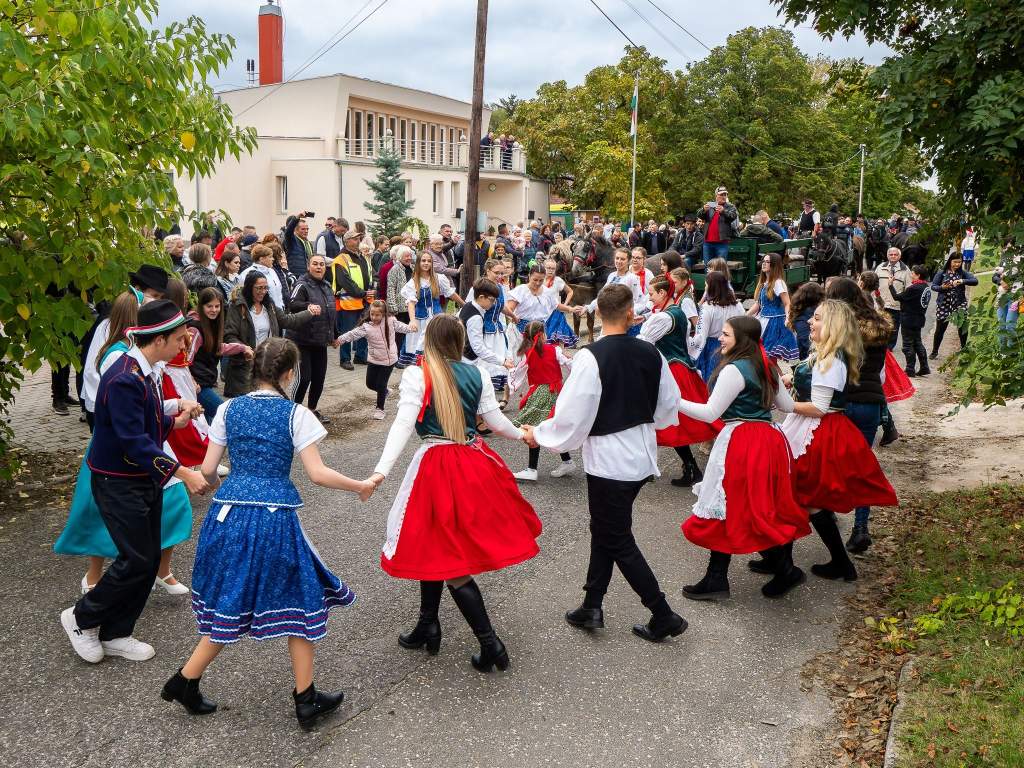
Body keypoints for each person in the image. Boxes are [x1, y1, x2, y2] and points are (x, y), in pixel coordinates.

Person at [162, 338, 372, 726]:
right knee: (301, 599)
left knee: (232, 600)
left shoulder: (227, 408)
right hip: (273, 521)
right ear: (289, 374)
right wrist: (359, 485)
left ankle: (186, 680)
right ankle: (304, 700)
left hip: (228, 516)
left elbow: (208, 470)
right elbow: (317, 473)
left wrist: (220, 485)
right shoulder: (296, 415)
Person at [367, 315, 542, 671]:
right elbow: (495, 421)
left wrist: (380, 471)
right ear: (459, 340)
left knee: (448, 554)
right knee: (436, 544)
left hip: (437, 466)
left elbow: (403, 424)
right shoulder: (475, 373)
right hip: (472, 462)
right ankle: (427, 623)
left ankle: (491, 643)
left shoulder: (419, 373)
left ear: (430, 340)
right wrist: (522, 434)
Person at [529, 284, 688, 643]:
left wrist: (539, 434)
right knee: (605, 529)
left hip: (610, 461)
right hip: (641, 454)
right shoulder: (651, 352)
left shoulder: (590, 357)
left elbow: (573, 417)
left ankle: (662, 613)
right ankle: (592, 604)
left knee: (615, 535)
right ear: (632, 314)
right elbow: (668, 404)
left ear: (598, 314)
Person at [60, 300, 210, 665]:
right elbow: (134, 441)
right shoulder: (125, 375)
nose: (183, 346)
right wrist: (184, 472)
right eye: (178, 339)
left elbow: (143, 419)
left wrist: (173, 413)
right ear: (157, 339)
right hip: (118, 480)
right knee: (136, 559)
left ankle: (116, 632)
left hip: (141, 478)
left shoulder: (148, 369)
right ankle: (81, 617)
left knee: (146, 558)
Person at [675, 316, 810, 600]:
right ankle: (720, 576)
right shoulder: (768, 365)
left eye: (725, 334)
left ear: (741, 339)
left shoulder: (734, 370)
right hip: (770, 440)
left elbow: (711, 413)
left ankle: (782, 569)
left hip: (742, 442)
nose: (720, 339)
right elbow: (786, 406)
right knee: (745, 505)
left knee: (736, 505)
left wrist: (674, 402)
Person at [775, 300, 897, 583]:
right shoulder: (826, 354)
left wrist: (783, 403)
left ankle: (785, 565)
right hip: (814, 427)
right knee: (807, 499)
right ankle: (816, 563)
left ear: (832, 325)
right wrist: (793, 378)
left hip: (818, 430)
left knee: (799, 495)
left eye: (816, 318)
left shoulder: (831, 360)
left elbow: (819, 406)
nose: (809, 322)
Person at [825, 277, 892, 553]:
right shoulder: (879, 326)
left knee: (828, 463)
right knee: (861, 466)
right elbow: (881, 370)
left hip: (843, 402)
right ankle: (861, 527)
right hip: (871, 403)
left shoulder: (840, 329)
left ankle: (824, 512)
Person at [640, 277, 722, 486]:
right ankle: (657, 467)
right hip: (682, 367)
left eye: (652, 294)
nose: (649, 298)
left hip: (670, 370)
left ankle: (689, 468)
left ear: (662, 293)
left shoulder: (664, 318)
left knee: (670, 421)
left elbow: (645, 343)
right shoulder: (678, 313)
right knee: (668, 420)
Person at [81, 265, 169, 429]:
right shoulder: (108, 326)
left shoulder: (145, 321)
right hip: (111, 407)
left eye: (161, 297)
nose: (157, 302)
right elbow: (94, 370)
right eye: (154, 296)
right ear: (137, 291)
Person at [223, 271, 318, 397]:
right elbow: (230, 335)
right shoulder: (238, 306)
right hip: (244, 366)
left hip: (266, 363)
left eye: (265, 288)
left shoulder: (269, 306)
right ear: (249, 287)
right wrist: (243, 348)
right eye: (259, 288)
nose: (263, 291)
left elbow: (288, 320)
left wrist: (309, 313)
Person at [507, 321, 575, 481]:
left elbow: (518, 373)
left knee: (536, 429)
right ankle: (567, 461)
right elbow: (570, 364)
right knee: (551, 428)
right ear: (543, 334)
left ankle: (532, 469)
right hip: (554, 392)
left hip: (540, 394)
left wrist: (512, 385)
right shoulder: (555, 350)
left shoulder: (527, 353)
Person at [161, 279, 211, 469]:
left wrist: (190, 377)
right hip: (171, 375)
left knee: (193, 416)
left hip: (181, 373)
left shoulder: (180, 320)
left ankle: (199, 458)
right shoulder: (167, 322)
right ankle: (189, 459)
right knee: (182, 417)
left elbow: (184, 357)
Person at [337, 300, 413, 420]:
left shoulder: (391, 321)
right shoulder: (366, 326)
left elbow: (401, 327)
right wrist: (339, 340)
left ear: (383, 314)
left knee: (381, 384)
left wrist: (411, 328)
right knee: (370, 383)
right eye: (372, 314)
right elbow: (352, 334)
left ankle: (380, 409)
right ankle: (385, 392)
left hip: (389, 360)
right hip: (374, 359)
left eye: (377, 315)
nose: (374, 317)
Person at [288, 254, 339, 422]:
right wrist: (308, 306)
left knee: (319, 378)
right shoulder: (301, 284)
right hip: (301, 340)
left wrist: (334, 336)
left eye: (322, 265)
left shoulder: (326, 286)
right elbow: (292, 304)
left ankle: (311, 410)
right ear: (308, 266)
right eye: (315, 264)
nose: (319, 267)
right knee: (304, 378)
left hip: (320, 341)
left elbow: (332, 312)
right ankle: (292, 411)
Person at [190, 287, 252, 421]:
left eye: (217, 306)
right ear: (201, 306)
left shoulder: (212, 323)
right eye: (209, 306)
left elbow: (218, 348)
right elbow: (186, 359)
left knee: (209, 427)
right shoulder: (195, 327)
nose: (214, 310)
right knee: (225, 413)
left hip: (205, 381)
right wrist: (192, 381)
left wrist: (242, 348)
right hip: (198, 385)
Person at [465, 260, 518, 404]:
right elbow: (470, 307)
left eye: (502, 273)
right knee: (485, 368)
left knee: (500, 368)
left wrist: (512, 315)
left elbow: (502, 306)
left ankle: (492, 404)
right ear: (487, 270)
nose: (500, 276)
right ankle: (481, 404)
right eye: (496, 273)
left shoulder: (500, 287)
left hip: (498, 332)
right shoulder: (478, 289)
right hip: (484, 333)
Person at [402, 250, 463, 362]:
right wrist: (412, 320)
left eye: (429, 261)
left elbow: (450, 293)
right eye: (423, 261)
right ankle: (421, 370)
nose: (426, 263)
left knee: (436, 343)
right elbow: (411, 302)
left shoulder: (438, 278)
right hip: (420, 319)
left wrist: (464, 304)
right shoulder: (414, 282)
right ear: (418, 263)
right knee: (420, 345)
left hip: (436, 317)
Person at [691, 271, 745, 381]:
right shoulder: (737, 305)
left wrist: (691, 348)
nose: (705, 288)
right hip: (733, 346)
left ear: (711, 287)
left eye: (706, 285)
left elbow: (701, 334)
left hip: (713, 348)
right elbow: (743, 327)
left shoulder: (707, 308)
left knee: (713, 378)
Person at [332, 232, 374, 370]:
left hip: (365, 301)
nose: (358, 241)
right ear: (347, 241)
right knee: (347, 332)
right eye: (355, 239)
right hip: (349, 302)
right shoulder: (341, 259)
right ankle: (345, 359)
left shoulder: (363, 257)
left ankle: (360, 356)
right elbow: (345, 282)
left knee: (364, 330)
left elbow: (372, 275)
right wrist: (362, 293)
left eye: (359, 239)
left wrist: (372, 289)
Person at [580, 248, 645, 337]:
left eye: (622, 259)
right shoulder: (611, 276)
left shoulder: (632, 278)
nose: (619, 261)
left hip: (624, 323)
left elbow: (640, 301)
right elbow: (602, 295)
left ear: (628, 261)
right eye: (617, 258)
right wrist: (588, 307)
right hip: (610, 319)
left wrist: (629, 313)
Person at [747, 253, 799, 362]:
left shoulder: (778, 283)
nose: (764, 264)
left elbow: (787, 303)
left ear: (774, 265)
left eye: (767, 262)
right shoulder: (763, 283)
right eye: (763, 261)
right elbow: (759, 304)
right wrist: (745, 316)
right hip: (763, 319)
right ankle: (775, 377)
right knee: (764, 356)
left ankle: (780, 377)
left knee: (767, 356)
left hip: (774, 323)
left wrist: (788, 319)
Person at [509, 264, 576, 342]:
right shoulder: (520, 290)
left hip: (539, 331)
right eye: (535, 280)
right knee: (521, 353)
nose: (538, 283)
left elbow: (556, 305)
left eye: (541, 280)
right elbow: (509, 308)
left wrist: (571, 309)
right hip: (520, 331)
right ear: (529, 276)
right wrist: (513, 316)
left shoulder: (547, 292)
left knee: (538, 353)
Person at [930, 252, 978, 359]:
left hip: (959, 303)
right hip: (944, 304)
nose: (957, 264)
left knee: (962, 327)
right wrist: (942, 287)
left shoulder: (963, 273)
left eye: (959, 262)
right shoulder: (942, 273)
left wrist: (962, 281)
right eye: (955, 262)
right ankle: (934, 351)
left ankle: (964, 348)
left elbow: (975, 281)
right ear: (950, 261)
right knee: (940, 329)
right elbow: (933, 286)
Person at [889, 264, 932, 375]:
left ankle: (910, 368)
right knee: (918, 343)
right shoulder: (926, 287)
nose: (911, 275)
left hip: (909, 319)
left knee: (908, 345)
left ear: (918, 275)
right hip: (919, 319)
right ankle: (924, 366)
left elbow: (897, 297)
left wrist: (890, 285)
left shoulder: (914, 288)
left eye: (912, 273)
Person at [875, 247, 911, 349]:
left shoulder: (905, 270)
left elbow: (908, 288)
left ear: (899, 256)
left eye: (895, 255)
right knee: (879, 325)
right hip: (880, 304)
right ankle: (879, 344)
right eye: (891, 254)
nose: (893, 256)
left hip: (896, 305)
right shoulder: (880, 267)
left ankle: (889, 347)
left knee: (894, 328)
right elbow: (874, 283)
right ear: (887, 256)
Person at [386, 245, 415, 368]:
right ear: (399, 257)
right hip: (399, 307)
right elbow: (391, 288)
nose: (409, 258)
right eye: (406, 256)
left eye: (410, 255)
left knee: (410, 333)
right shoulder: (395, 269)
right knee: (398, 335)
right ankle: (396, 358)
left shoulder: (413, 268)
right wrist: (392, 306)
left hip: (411, 306)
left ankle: (406, 356)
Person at [540, 256, 578, 347]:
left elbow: (570, 292)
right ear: (543, 267)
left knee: (557, 339)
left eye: (553, 268)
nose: (550, 270)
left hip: (556, 312)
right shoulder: (539, 280)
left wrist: (565, 304)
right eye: (548, 268)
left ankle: (559, 358)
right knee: (544, 340)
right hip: (542, 312)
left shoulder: (558, 280)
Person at [239, 244, 285, 310]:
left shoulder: (272, 271)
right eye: (270, 257)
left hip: (278, 311)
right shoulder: (247, 274)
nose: (273, 259)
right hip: (261, 312)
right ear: (261, 259)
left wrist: (281, 306)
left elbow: (279, 291)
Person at [787, 281, 824, 361]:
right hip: (811, 358)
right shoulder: (806, 316)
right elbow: (807, 343)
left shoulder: (801, 316)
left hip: (810, 357)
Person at [699, 186, 738, 261]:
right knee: (708, 267)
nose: (724, 197)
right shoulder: (710, 205)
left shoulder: (730, 206)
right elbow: (699, 215)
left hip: (722, 243)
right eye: (721, 195)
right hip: (707, 242)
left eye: (725, 195)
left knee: (721, 267)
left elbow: (733, 216)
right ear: (716, 195)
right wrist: (703, 210)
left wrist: (723, 211)